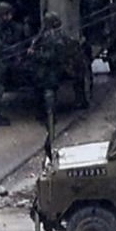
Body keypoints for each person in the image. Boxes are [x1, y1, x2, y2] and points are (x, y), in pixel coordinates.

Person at [32, 11, 77, 144]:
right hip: (52, 69)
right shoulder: (57, 35)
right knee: (47, 91)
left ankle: (50, 117)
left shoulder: (53, 38)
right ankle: (48, 116)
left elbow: (50, 56)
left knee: (49, 92)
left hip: (50, 69)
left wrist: (36, 55)